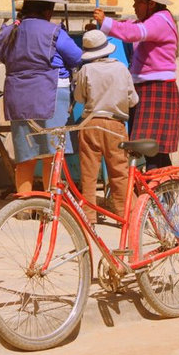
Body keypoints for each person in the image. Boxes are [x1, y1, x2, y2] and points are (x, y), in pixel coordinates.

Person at [0, 0, 82, 192]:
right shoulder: (54, 31)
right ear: (48, 10)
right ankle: (48, 207)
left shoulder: (9, 31)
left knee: (26, 157)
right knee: (51, 156)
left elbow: (2, 55)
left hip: (18, 98)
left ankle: (24, 206)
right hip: (50, 96)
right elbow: (77, 57)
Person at [92, 0, 179, 170]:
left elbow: (132, 33)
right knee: (152, 151)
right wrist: (103, 26)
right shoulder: (149, 19)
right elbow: (128, 25)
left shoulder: (160, 20)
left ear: (151, 3)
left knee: (154, 152)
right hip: (147, 88)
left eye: (138, 1)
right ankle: (163, 196)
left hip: (157, 89)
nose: (134, 5)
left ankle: (160, 196)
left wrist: (105, 22)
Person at [73, 29, 138, 224]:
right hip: (115, 124)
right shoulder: (121, 69)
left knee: (89, 173)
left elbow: (78, 98)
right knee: (119, 172)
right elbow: (133, 99)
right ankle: (122, 214)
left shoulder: (86, 70)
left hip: (91, 124)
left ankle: (89, 215)